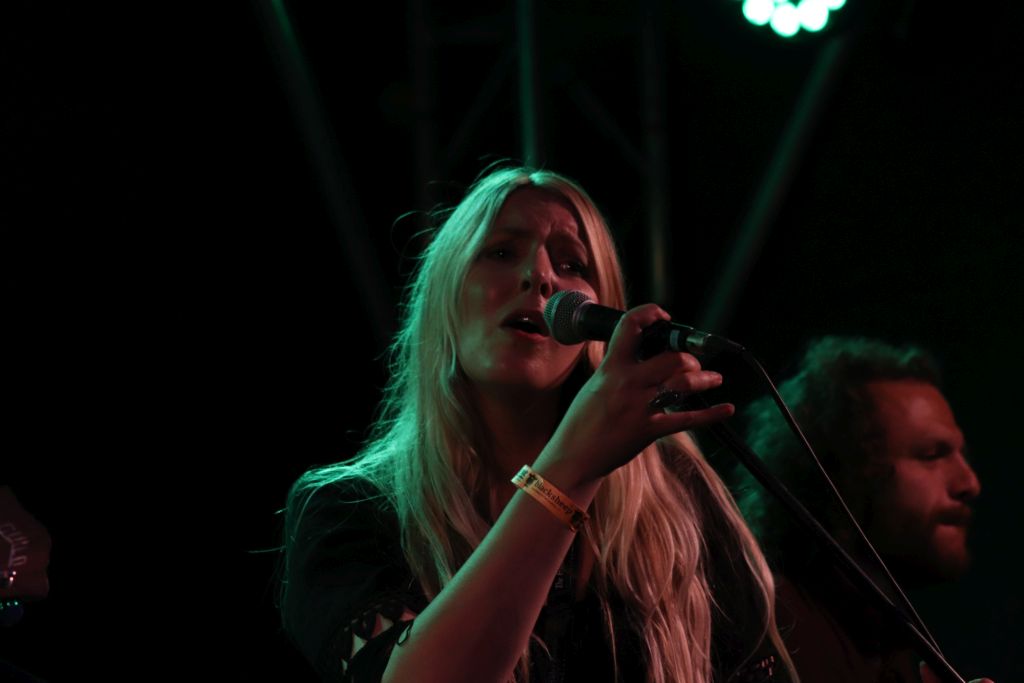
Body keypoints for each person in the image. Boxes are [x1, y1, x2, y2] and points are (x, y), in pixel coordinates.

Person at [279, 167, 798, 683]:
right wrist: (569, 470)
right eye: (502, 252)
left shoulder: (677, 492)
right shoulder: (350, 510)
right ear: (444, 296)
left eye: (573, 264)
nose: (541, 276)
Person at [734, 336, 984, 683]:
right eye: (931, 455)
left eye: (962, 455)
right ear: (841, 469)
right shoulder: (764, 630)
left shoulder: (891, 646)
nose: (969, 483)